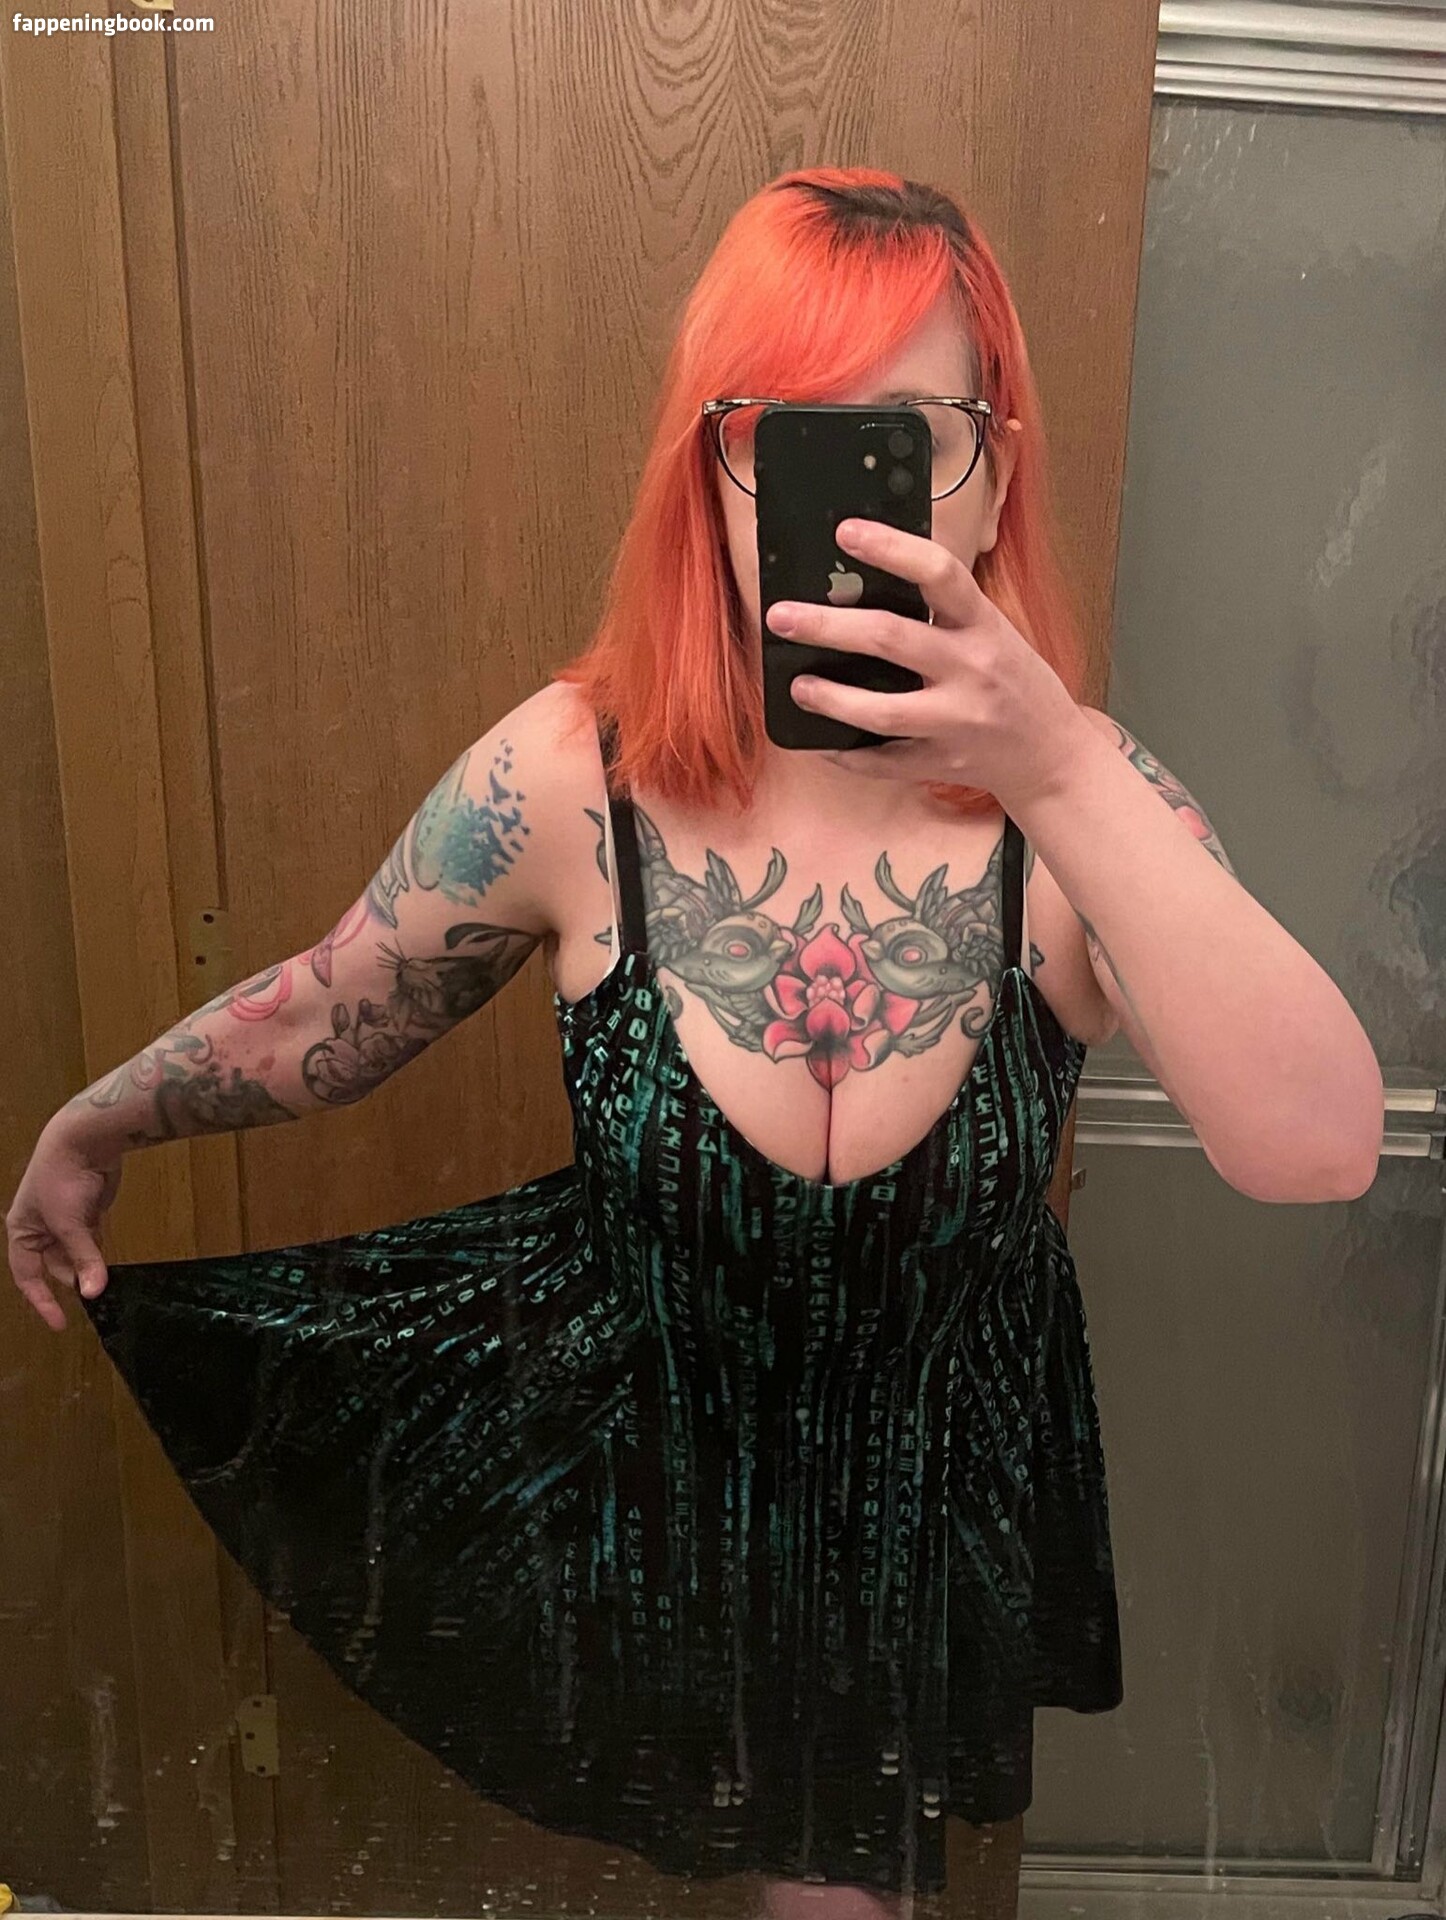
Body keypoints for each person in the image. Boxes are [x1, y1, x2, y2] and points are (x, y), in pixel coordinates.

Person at [5, 167, 1383, 1917]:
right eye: (785, 437)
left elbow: (1316, 1147)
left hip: (927, 1482)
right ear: (707, 474)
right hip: (640, 1456)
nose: (854, 496)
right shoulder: (566, 775)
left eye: (912, 437)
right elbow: (335, 1006)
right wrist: (99, 1118)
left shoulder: (1084, 813)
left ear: (990, 477)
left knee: (843, 1879)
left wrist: (1054, 768)